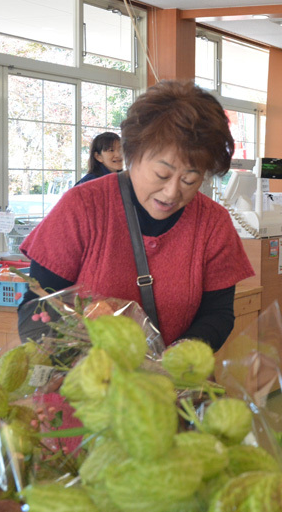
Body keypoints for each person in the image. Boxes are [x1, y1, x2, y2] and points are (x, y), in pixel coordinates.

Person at [18, 80, 254, 350]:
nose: (171, 193)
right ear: (132, 155)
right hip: (87, 384)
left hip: (172, 386)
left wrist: (180, 356)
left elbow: (218, 314)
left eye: (190, 180)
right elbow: (37, 309)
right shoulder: (83, 206)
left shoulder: (212, 223)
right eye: (161, 175)